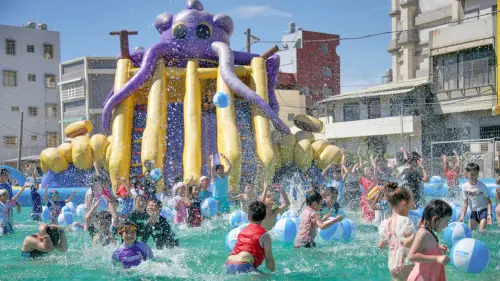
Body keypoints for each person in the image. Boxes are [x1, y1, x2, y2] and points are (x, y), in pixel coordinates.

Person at [378, 182, 416, 281]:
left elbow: (381, 245)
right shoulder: (405, 222)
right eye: (411, 202)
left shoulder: (385, 223)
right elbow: (415, 243)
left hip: (393, 264)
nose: (413, 205)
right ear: (404, 204)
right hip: (406, 263)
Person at [407, 200, 452, 281]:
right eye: (446, 221)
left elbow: (425, 249)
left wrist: (437, 248)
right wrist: (437, 258)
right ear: (435, 218)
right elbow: (411, 256)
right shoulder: (423, 233)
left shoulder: (428, 232)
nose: (447, 225)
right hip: (421, 277)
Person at [225, 201, 275, 274]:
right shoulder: (265, 235)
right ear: (264, 217)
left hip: (229, 263)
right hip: (244, 263)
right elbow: (269, 258)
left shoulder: (242, 231)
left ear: (248, 217)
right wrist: (273, 271)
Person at [458, 163, 493, 232]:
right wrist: (462, 216)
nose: (474, 176)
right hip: (473, 212)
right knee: (470, 232)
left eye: (476, 174)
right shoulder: (465, 187)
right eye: (472, 174)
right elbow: (465, 203)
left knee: (481, 232)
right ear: (467, 174)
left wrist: (489, 214)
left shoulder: (482, 186)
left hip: (483, 211)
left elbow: (489, 202)